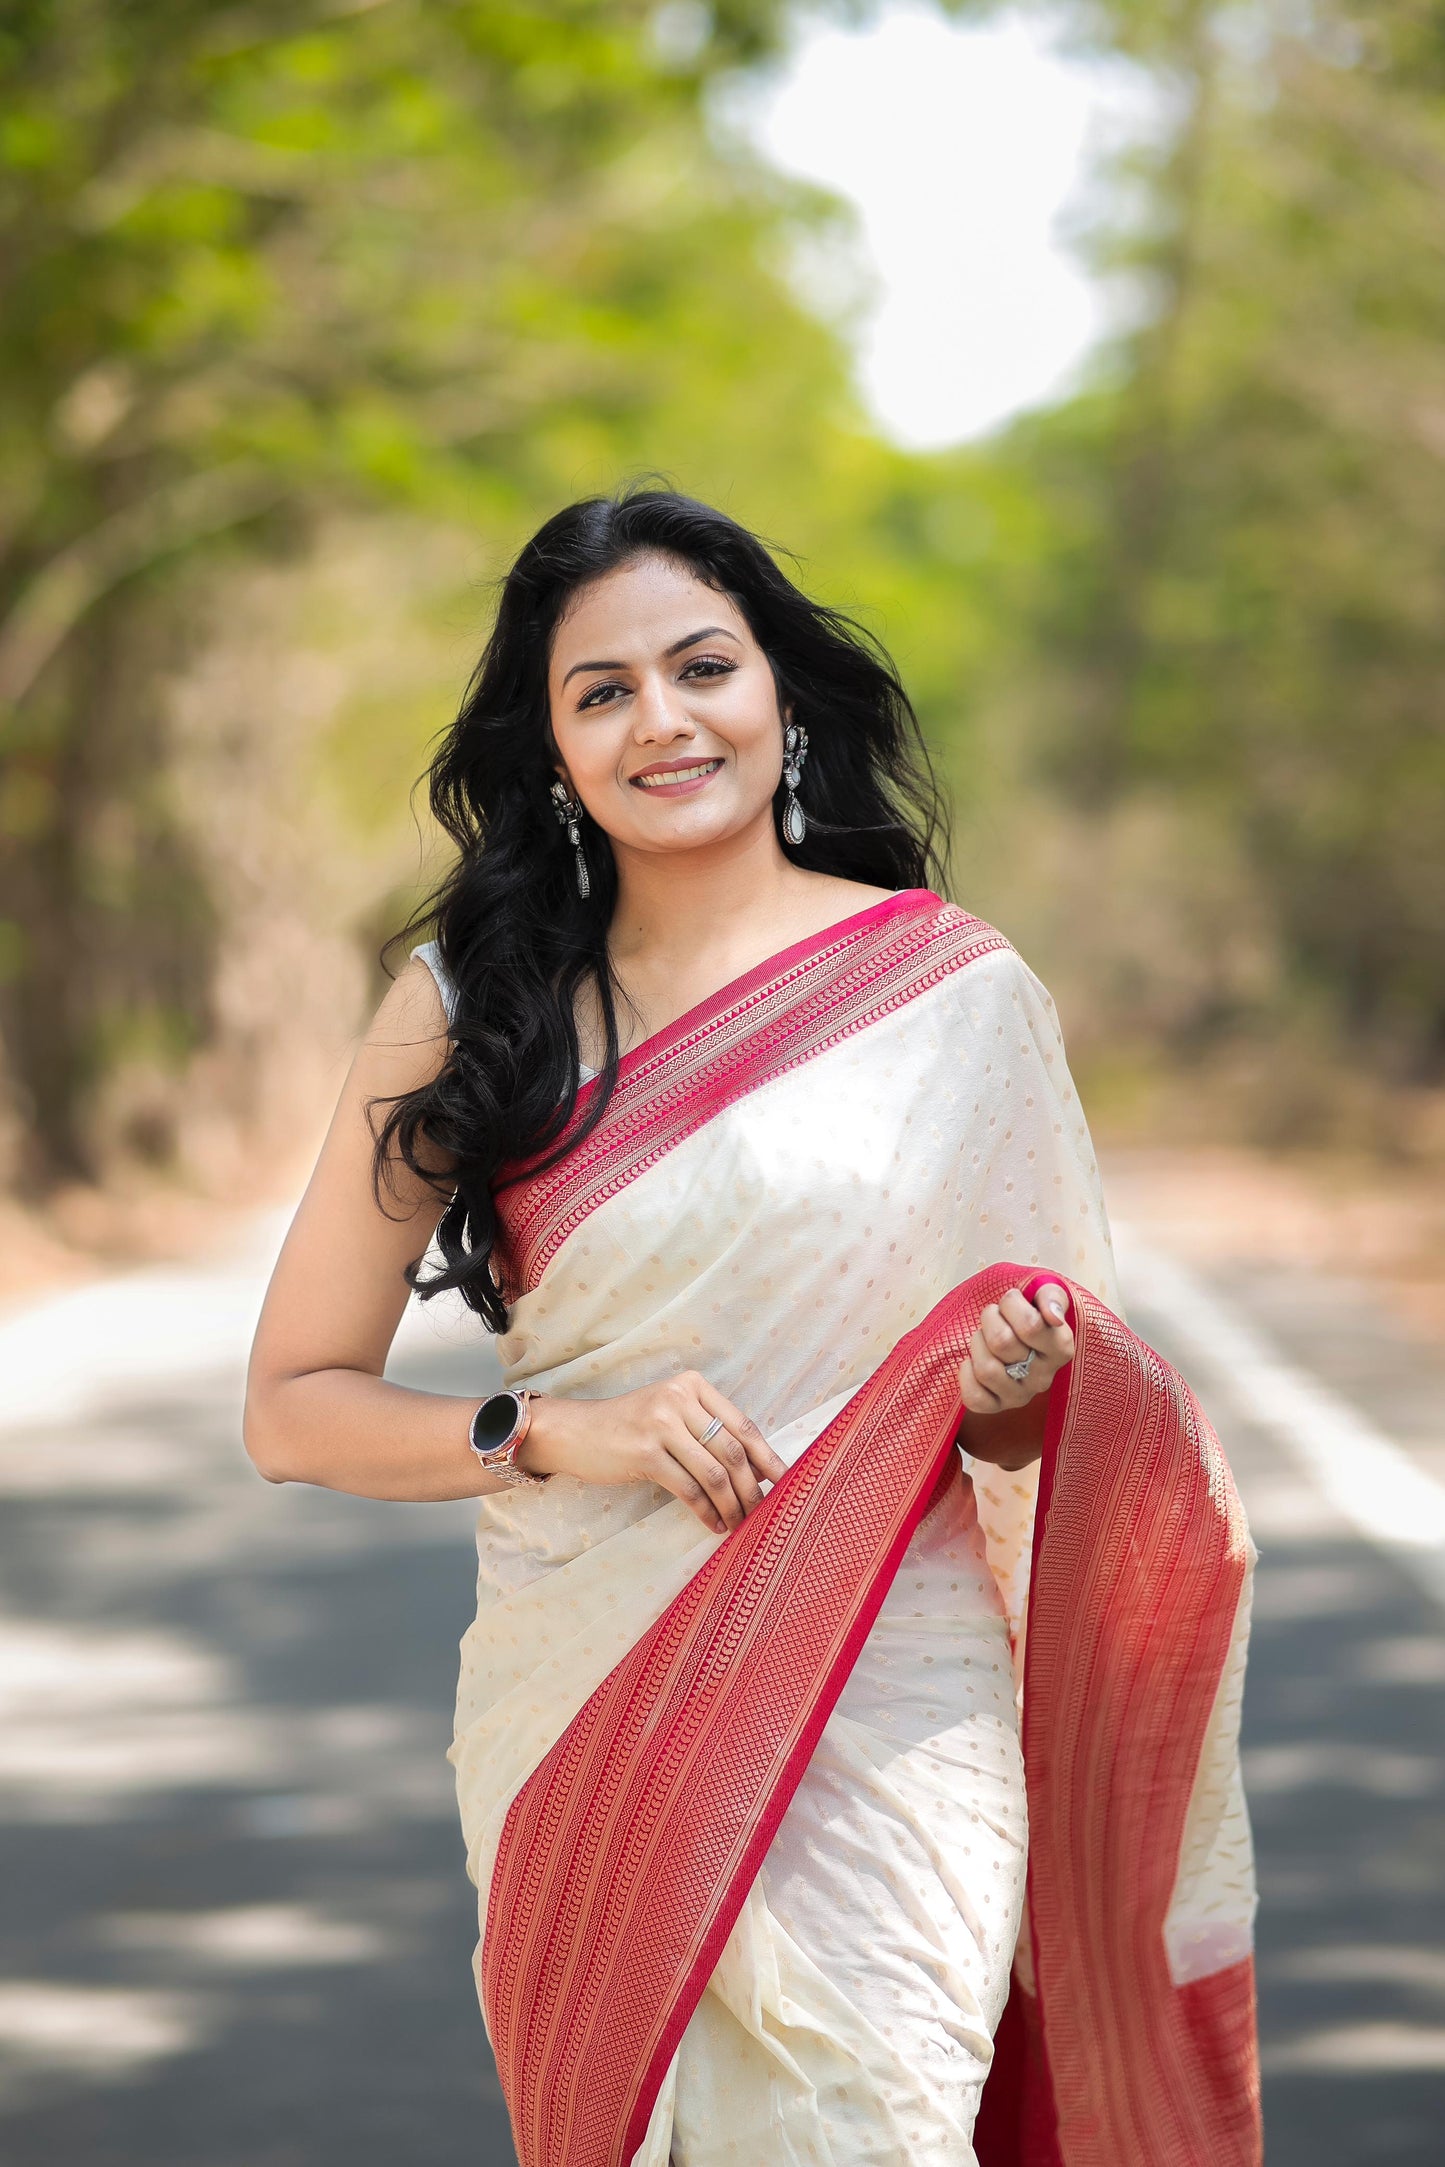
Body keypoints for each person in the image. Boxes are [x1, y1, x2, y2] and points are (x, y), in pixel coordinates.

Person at [243, 486, 1261, 2167]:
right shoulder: (470, 1008)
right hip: (584, 1709)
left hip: (890, 1704)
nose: (661, 720)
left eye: (700, 666)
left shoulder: (949, 995)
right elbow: (293, 1407)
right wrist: (556, 1430)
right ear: (551, 746)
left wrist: (1006, 1389)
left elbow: (1045, 1430)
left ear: (779, 689)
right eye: (601, 692)